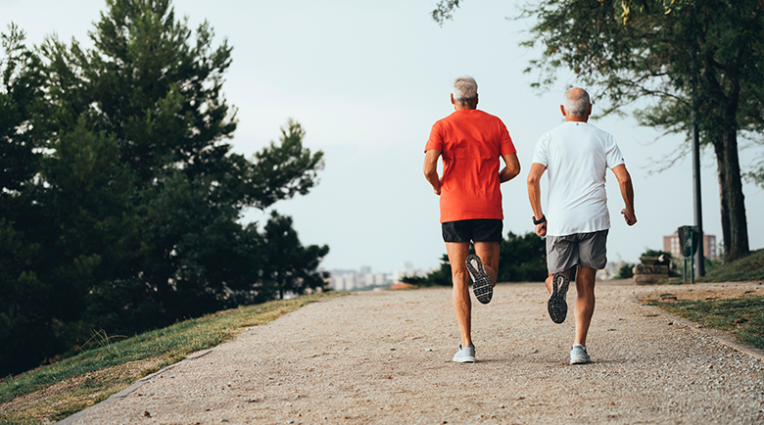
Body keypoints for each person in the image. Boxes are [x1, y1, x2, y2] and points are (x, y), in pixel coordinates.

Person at [526, 87, 637, 365]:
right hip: (594, 219)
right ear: (590, 109)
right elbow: (623, 178)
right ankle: (578, 347)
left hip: (561, 221)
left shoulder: (548, 138)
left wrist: (539, 217)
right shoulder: (604, 137)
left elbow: (532, 179)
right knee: (586, 284)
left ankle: (556, 288)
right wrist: (630, 209)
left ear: (563, 111)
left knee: (554, 276)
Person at [423, 76, 521, 363]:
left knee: (458, 277)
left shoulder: (441, 126)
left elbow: (429, 166)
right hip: (487, 204)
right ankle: (483, 276)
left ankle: (466, 347)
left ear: (452, 100)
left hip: (454, 206)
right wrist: (493, 179)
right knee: (490, 270)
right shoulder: (495, 124)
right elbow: (514, 167)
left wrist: (437, 185)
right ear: (477, 99)